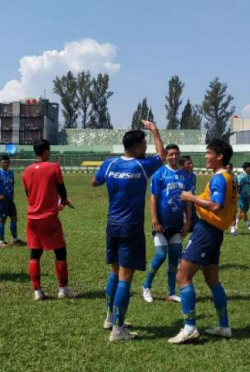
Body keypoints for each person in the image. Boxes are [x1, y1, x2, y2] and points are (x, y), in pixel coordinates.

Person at [92, 120, 166, 342]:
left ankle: (109, 318)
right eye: (144, 145)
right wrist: (154, 131)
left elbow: (94, 182)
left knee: (114, 273)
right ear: (135, 148)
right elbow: (162, 156)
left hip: (111, 226)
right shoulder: (141, 166)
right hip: (130, 228)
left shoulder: (110, 164)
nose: (146, 148)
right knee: (125, 278)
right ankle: (118, 330)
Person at [168, 138, 237, 344]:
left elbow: (215, 206)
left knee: (182, 276)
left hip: (206, 232)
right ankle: (224, 326)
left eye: (209, 153)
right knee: (212, 280)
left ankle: (189, 327)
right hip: (216, 233)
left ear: (219, 156)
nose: (206, 156)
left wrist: (192, 198)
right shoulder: (229, 178)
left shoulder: (219, 178)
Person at [22, 139, 75, 301]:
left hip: (32, 217)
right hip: (49, 218)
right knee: (60, 251)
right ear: (45, 151)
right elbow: (61, 190)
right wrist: (64, 200)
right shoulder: (54, 167)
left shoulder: (26, 171)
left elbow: (28, 194)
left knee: (35, 254)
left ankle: (37, 291)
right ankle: (63, 289)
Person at [142, 144, 192, 304]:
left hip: (177, 225)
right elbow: (153, 197)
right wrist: (154, 219)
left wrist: (188, 220)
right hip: (161, 224)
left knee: (173, 260)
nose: (173, 157)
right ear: (167, 156)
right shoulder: (160, 173)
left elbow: (188, 201)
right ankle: (146, 286)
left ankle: (171, 292)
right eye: (170, 154)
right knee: (160, 256)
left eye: (176, 154)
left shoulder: (185, 176)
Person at [0, 155, 26, 248]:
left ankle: (15, 239)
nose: (5, 164)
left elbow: (12, 185)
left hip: (10, 201)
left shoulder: (11, 173)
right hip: (2, 202)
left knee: (14, 219)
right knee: (2, 220)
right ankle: (1, 241)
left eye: (7, 162)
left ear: (9, 163)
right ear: (1, 163)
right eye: (4, 162)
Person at [233, 162, 250, 233]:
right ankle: (248, 224)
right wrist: (238, 194)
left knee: (242, 211)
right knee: (243, 210)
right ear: (245, 168)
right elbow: (238, 186)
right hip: (241, 196)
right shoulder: (241, 176)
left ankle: (236, 223)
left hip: (247, 196)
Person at [180, 155, 198, 232]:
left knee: (196, 227)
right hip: (182, 206)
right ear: (181, 165)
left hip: (191, 204)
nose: (191, 165)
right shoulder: (179, 176)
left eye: (191, 163)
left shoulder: (193, 176)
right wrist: (184, 214)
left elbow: (193, 189)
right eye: (188, 164)